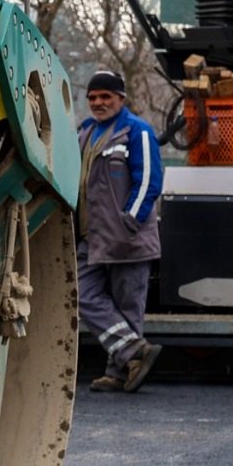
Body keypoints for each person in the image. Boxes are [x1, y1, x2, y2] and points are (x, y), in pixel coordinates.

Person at [77, 70, 165, 392]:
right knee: (81, 295)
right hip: (91, 238)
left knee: (128, 308)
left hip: (128, 239)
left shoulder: (137, 131)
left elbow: (150, 180)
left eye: (106, 96)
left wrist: (130, 221)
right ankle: (134, 351)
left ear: (121, 99)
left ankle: (118, 374)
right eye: (93, 97)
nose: (98, 103)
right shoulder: (84, 132)